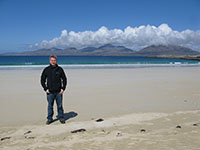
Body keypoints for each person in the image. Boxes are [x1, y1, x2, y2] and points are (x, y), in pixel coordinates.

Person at [40, 55, 67, 125]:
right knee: (50, 106)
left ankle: (61, 117)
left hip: (59, 92)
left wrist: (63, 88)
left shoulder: (60, 69)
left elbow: (64, 79)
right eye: (52, 60)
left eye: (54, 60)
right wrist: (45, 89)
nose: (53, 61)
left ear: (56, 61)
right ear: (49, 61)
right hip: (50, 92)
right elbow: (42, 80)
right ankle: (49, 119)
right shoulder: (46, 69)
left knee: (60, 106)